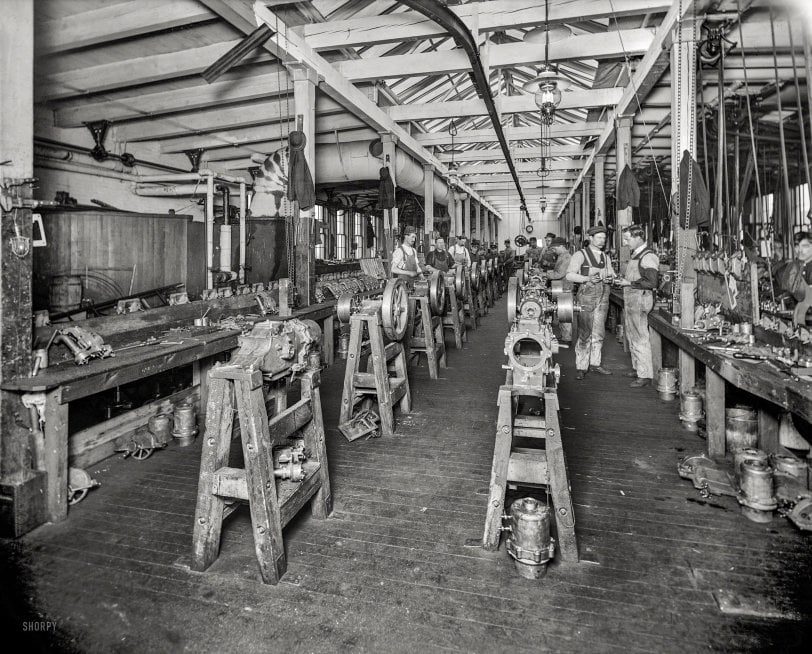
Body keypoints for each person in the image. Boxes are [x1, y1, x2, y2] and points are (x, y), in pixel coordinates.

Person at [566, 225, 616, 379]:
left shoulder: (605, 257)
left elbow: (612, 273)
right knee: (584, 333)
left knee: (599, 332)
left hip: (603, 295)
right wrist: (586, 278)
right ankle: (581, 366)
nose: (602, 241)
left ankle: (595, 364)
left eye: (604, 238)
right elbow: (569, 275)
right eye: (599, 238)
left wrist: (612, 277)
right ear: (591, 238)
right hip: (587, 296)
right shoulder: (580, 255)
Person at [615, 225, 659, 388]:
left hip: (640, 301)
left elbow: (652, 282)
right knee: (632, 335)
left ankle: (645, 374)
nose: (626, 243)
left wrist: (629, 283)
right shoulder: (636, 255)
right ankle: (637, 368)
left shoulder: (648, 256)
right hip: (632, 300)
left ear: (638, 237)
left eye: (627, 239)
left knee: (640, 337)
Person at [545, 237, 573, 343]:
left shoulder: (566, 257)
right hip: (561, 287)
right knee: (561, 313)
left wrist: (547, 275)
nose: (553, 251)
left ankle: (567, 338)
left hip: (565, 288)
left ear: (561, 246)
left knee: (565, 314)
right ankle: (564, 335)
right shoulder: (561, 256)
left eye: (555, 248)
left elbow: (560, 274)